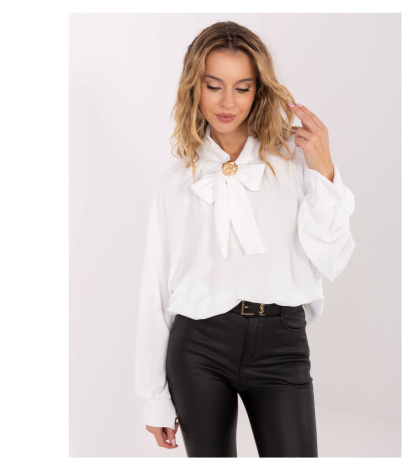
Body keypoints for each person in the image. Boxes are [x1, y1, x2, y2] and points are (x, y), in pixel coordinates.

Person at [134, 21, 356, 458]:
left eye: (242, 88)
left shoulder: (295, 161)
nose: (227, 102)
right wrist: (154, 396)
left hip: (281, 344)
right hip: (198, 348)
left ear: (259, 91)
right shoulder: (176, 183)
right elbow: (155, 291)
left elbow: (332, 256)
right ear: (194, 88)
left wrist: (324, 169)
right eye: (214, 85)